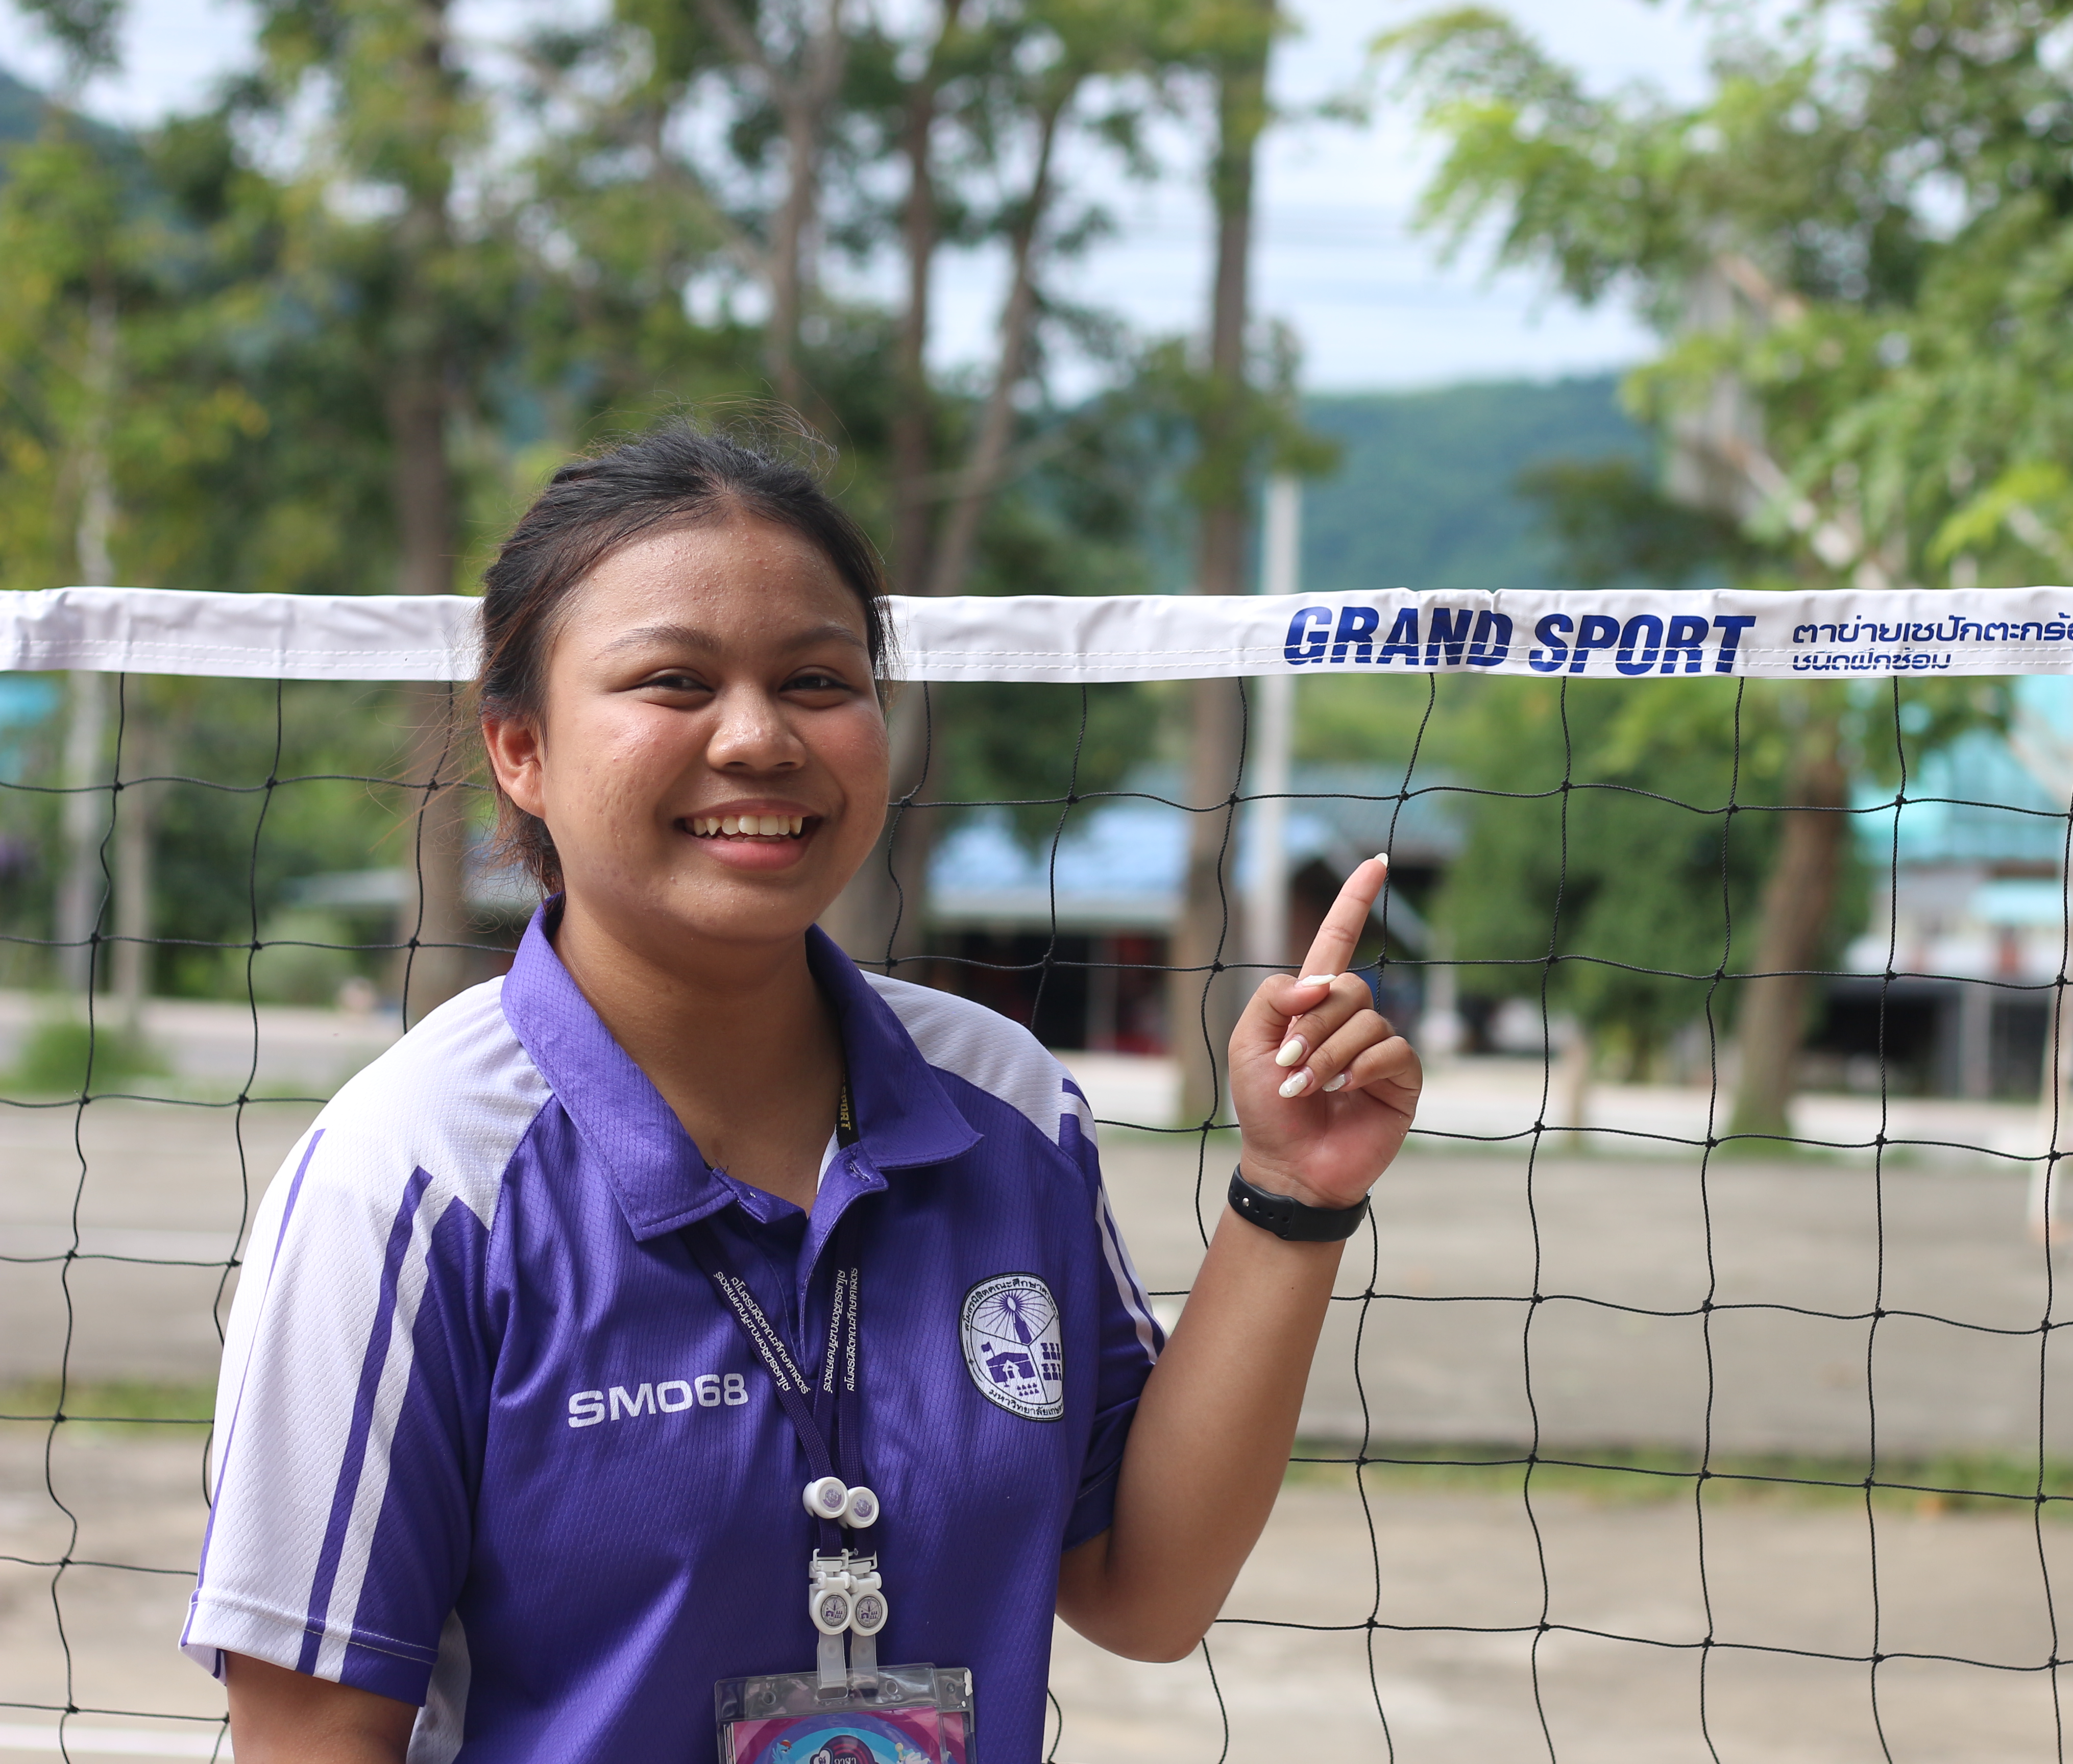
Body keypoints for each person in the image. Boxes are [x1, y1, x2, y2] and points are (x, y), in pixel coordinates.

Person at [179, 425, 1422, 1763]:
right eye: (674, 681)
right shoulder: (413, 1175)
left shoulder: (1005, 1101)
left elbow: (1148, 1591)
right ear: (521, 749)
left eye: (818, 680)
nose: (760, 738)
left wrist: (1290, 1195)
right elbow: (309, 1737)